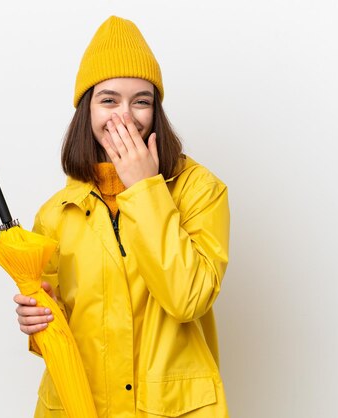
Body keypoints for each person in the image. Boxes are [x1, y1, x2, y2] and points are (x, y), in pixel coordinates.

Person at [14, 16, 230, 417]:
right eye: (109, 100)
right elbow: (59, 326)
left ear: (156, 111)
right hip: (80, 405)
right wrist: (38, 320)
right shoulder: (56, 212)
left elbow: (188, 299)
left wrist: (143, 188)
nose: (126, 117)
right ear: (87, 110)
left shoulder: (200, 190)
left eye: (142, 101)